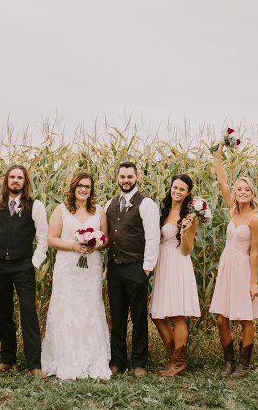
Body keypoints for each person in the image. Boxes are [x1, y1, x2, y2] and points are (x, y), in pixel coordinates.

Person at [40, 172, 112, 379]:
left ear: (91, 190)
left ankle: (92, 359)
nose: (83, 189)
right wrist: (74, 246)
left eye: (87, 186)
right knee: (67, 307)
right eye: (80, 185)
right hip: (68, 267)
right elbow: (51, 239)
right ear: (73, 187)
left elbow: (107, 239)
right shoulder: (61, 210)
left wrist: (95, 244)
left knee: (90, 306)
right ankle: (65, 359)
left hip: (91, 266)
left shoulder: (99, 211)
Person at [0, 164, 49, 380]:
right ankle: (7, 360)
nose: (15, 180)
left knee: (28, 312)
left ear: (25, 181)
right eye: (12, 177)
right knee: (2, 314)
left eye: (19, 177)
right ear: (6, 181)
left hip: (23, 266)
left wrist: (34, 263)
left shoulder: (35, 206)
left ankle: (34, 365)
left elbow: (42, 238)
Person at [209, 142, 258, 378]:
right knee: (221, 317)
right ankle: (228, 361)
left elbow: (254, 252)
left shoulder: (254, 219)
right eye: (239, 189)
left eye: (246, 190)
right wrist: (217, 156)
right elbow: (222, 183)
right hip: (226, 266)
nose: (242, 192)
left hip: (242, 268)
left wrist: (254, 282)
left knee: (244, 317)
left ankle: (243, 364)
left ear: (252, 194)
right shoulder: (232, 211)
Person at [105, 161, 161, 378]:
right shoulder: (110, 203)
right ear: (117, 178)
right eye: (122, 177)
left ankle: (139, 362)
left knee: (138, 318)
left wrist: (146, 269)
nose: (126, 180)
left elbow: (152, 238)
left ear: (137, 178)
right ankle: (117, 361)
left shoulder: (146, 204)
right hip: (115, 268)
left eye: (130, 176)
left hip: (136, 268)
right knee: (117, 317)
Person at [149, 174, 201, 377]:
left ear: (188, 193)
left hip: (177, 264)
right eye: (175, 187)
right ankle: (173, 357)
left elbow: (187, 250)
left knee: (176, 315)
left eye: (182, 189)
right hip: (162, 264)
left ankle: (178, 362)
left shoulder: (189, 217)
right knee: (157, 314)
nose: (177, 191)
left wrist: (184, 232)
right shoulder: (164, 211)